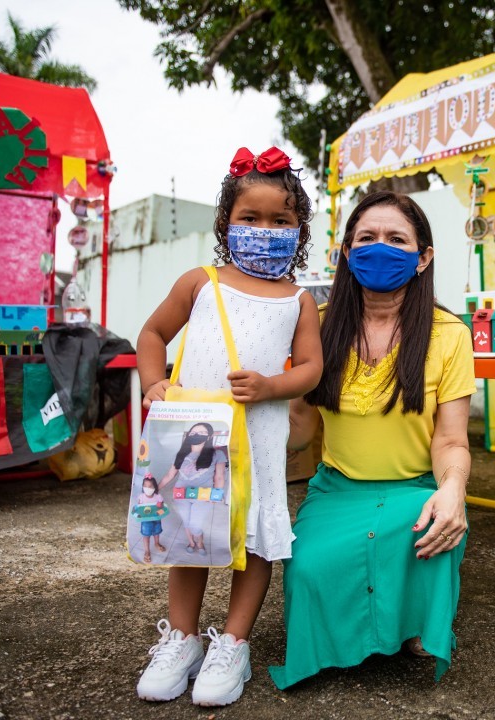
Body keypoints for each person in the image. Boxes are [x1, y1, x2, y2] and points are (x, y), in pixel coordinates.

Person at [134, 146, 323, 707]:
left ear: (299, 230)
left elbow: (311, 368)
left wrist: (271, 387)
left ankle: (233, 643)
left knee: (257, 541)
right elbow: (150, 336)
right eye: (251, 218)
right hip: (196, 438)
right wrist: (152, 384)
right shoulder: (200, 282)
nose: (265, 229)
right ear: (225, 223)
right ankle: (182, 638)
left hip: (259, 442)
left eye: (280, 221)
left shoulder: (299, 300)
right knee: (191, 536)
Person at [269, 191, 476, 690]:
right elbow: (298, 427)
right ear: (346, 251)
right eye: (366, 238)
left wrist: (453, 491)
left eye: (396, 239)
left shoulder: (450, 335)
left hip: (414, 491)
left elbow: (450, 441)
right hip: (337, 492)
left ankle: (412, 618)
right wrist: (240, 446)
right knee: (308, 574)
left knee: (432, 528)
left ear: (423, 257)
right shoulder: (314, 327)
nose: (379, 249)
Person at [156, 422, 227, 556]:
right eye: (193, 433)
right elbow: (170, 474)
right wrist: (156, 489)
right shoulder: (181, 454)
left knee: (195, 523)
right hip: (181, 494)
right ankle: (191, 543)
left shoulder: (217, 454)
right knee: (186, 521)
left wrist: (217, 494)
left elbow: (219, 477)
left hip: (203, 495)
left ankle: (199, 542)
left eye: (201, 433)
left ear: (209, 436)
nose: (196, 435)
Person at [135, 473, 167, 563]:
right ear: (142, 486)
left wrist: (160, 505)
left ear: (154, 487)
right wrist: (140, 507)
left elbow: (162, 506)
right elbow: (139, 508)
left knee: (157, 532)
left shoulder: (158, 496)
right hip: (146, 520)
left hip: (156, 518)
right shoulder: (141, 496)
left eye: (150, 486)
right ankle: (147, 550)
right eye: (145, 486)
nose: (147, 488)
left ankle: (157, 543)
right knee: (146, 535)